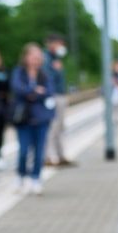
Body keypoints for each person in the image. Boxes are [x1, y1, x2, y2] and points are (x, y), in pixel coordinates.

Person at [10, 43, 56, 195]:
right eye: (33, 56)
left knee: (39, 152)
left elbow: (49, 92)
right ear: (26, 57)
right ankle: (21, 175)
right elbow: (17, 88)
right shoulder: (19, 73)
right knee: (23, 151)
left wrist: (31, 93)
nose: (36, 59)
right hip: (23, 119)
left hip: (41, 118)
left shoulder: (44, 74)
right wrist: (35, 90)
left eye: (38, 56)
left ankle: (36, 178)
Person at [43, 34, 74, 167]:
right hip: (53, 96)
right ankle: (48, 157)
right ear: (51, 44)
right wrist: (56, 70)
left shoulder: (56, 58)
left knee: (60, 127)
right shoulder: (46, 59)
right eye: (59, 44)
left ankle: (61, 155)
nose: (61, 47)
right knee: (52, 127)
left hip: (60, 94)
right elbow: (47, 78)